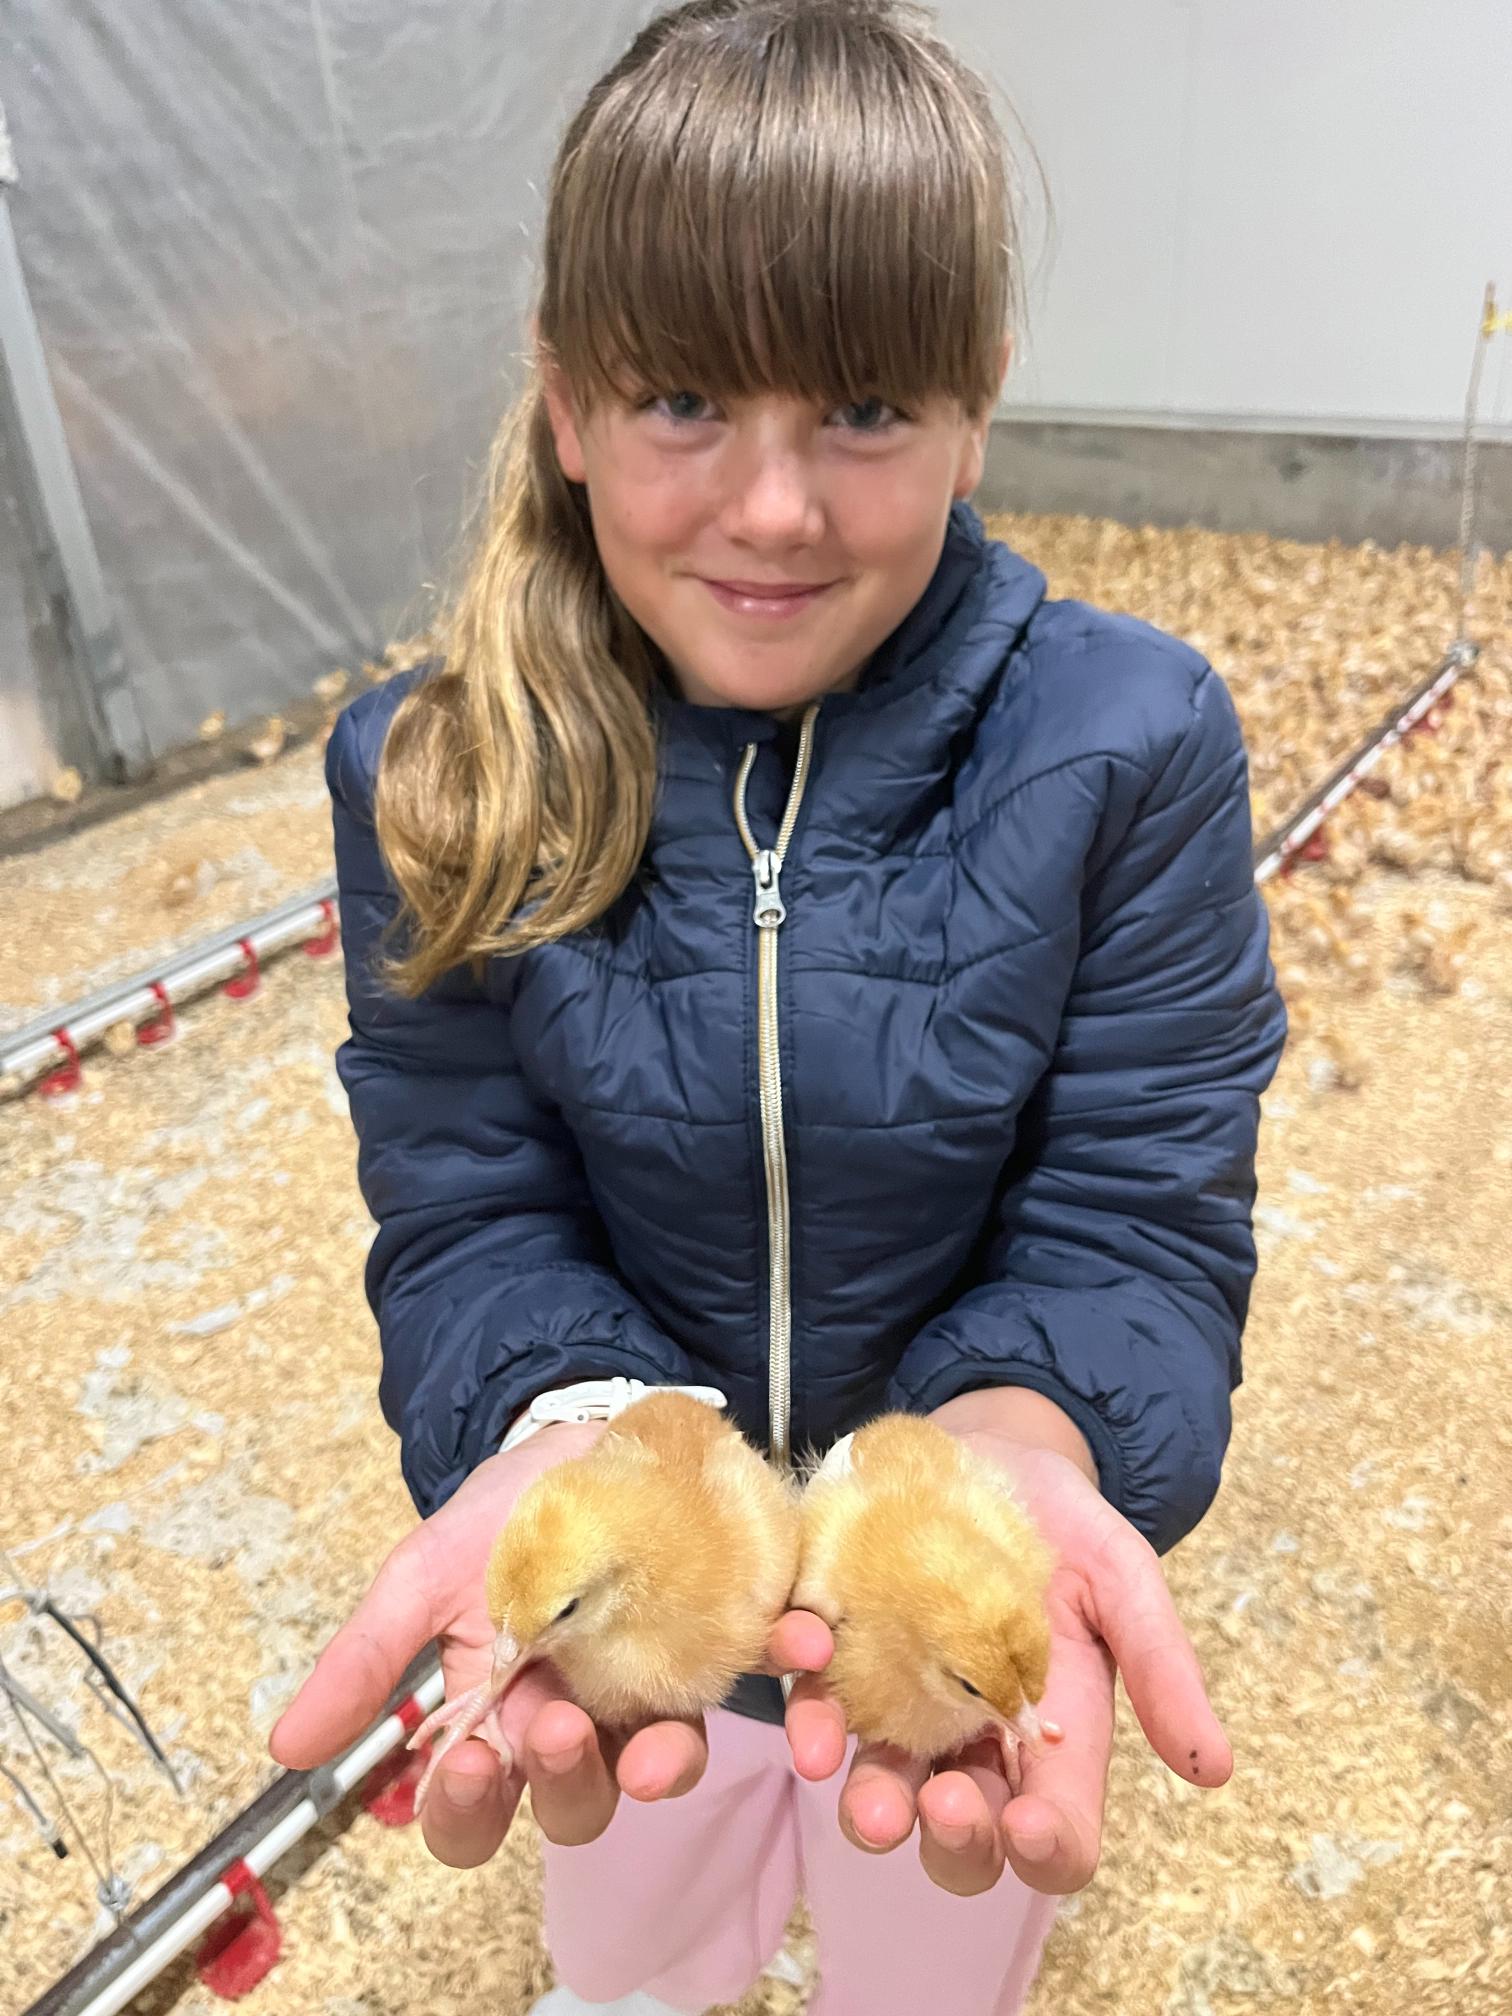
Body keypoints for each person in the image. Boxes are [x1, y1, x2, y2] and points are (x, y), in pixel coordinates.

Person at [269, 2, 1289, 2011]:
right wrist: (582, 1436)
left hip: (934, 1626)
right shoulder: (443, 774)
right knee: (633, 1949)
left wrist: (1014, 1460)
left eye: (864, 410)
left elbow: (1135, 1213)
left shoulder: (1130, 742)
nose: (773, 509)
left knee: (934, 1943)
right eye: (681, 401)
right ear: (566, 401)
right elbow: (471, 1206)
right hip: (642, 1609)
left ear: (978, 406)